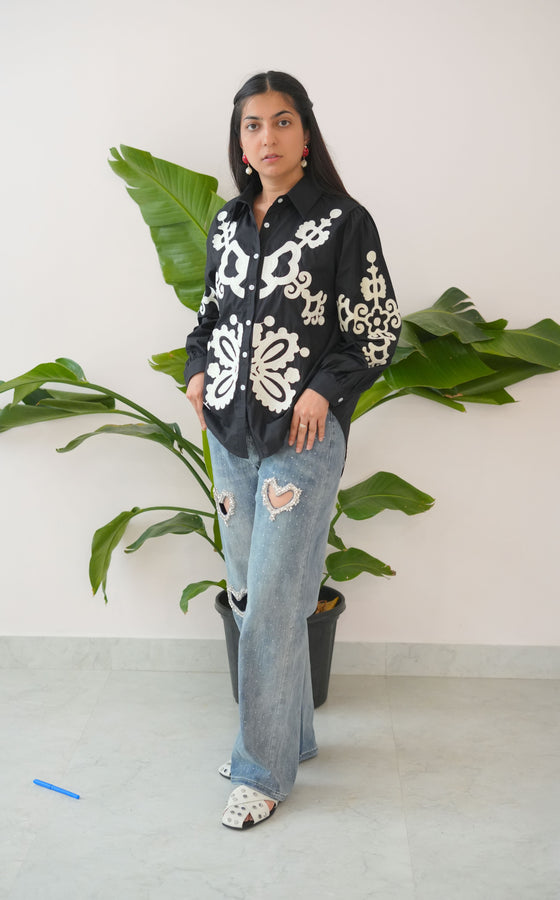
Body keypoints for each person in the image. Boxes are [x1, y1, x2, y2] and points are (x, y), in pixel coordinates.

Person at [185, 71, 401, 830]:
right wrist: (197, 370)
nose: (266, 139)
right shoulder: (226, 222)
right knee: (250, 592)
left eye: (281, 122)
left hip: (302, 439)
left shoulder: (344, 220)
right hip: (231, 436)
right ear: (239, 140)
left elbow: (375, 332)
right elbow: (208, 317)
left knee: (276, 604)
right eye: (252, 126)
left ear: (306, 133)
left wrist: (323, 391)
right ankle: (293, 736)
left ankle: (262, 771)